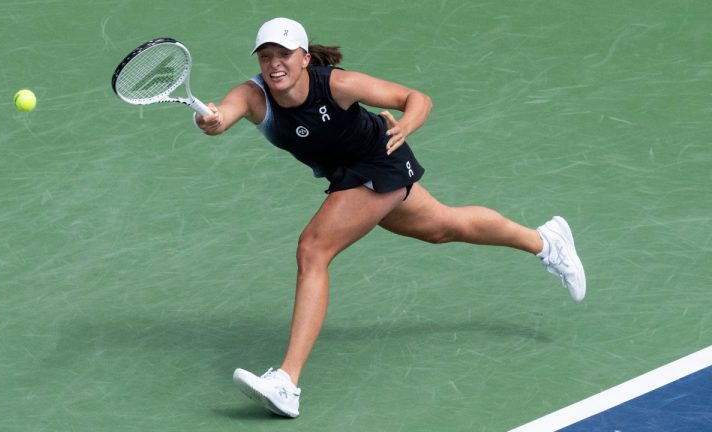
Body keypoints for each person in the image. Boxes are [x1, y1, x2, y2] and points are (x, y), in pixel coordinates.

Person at [193, 17, 586, 418]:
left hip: (379, 161)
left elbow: (417, 98)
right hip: (347, 176)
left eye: (284, 55)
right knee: (444, 227)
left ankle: (287, 382)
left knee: (313, 249)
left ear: (305, 58)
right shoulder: (254, 96)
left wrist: (407, 127)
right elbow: (223, 115)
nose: (274, 64)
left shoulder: (336, 85)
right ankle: (546, 241)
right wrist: (211, 119)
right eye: (266, 56)